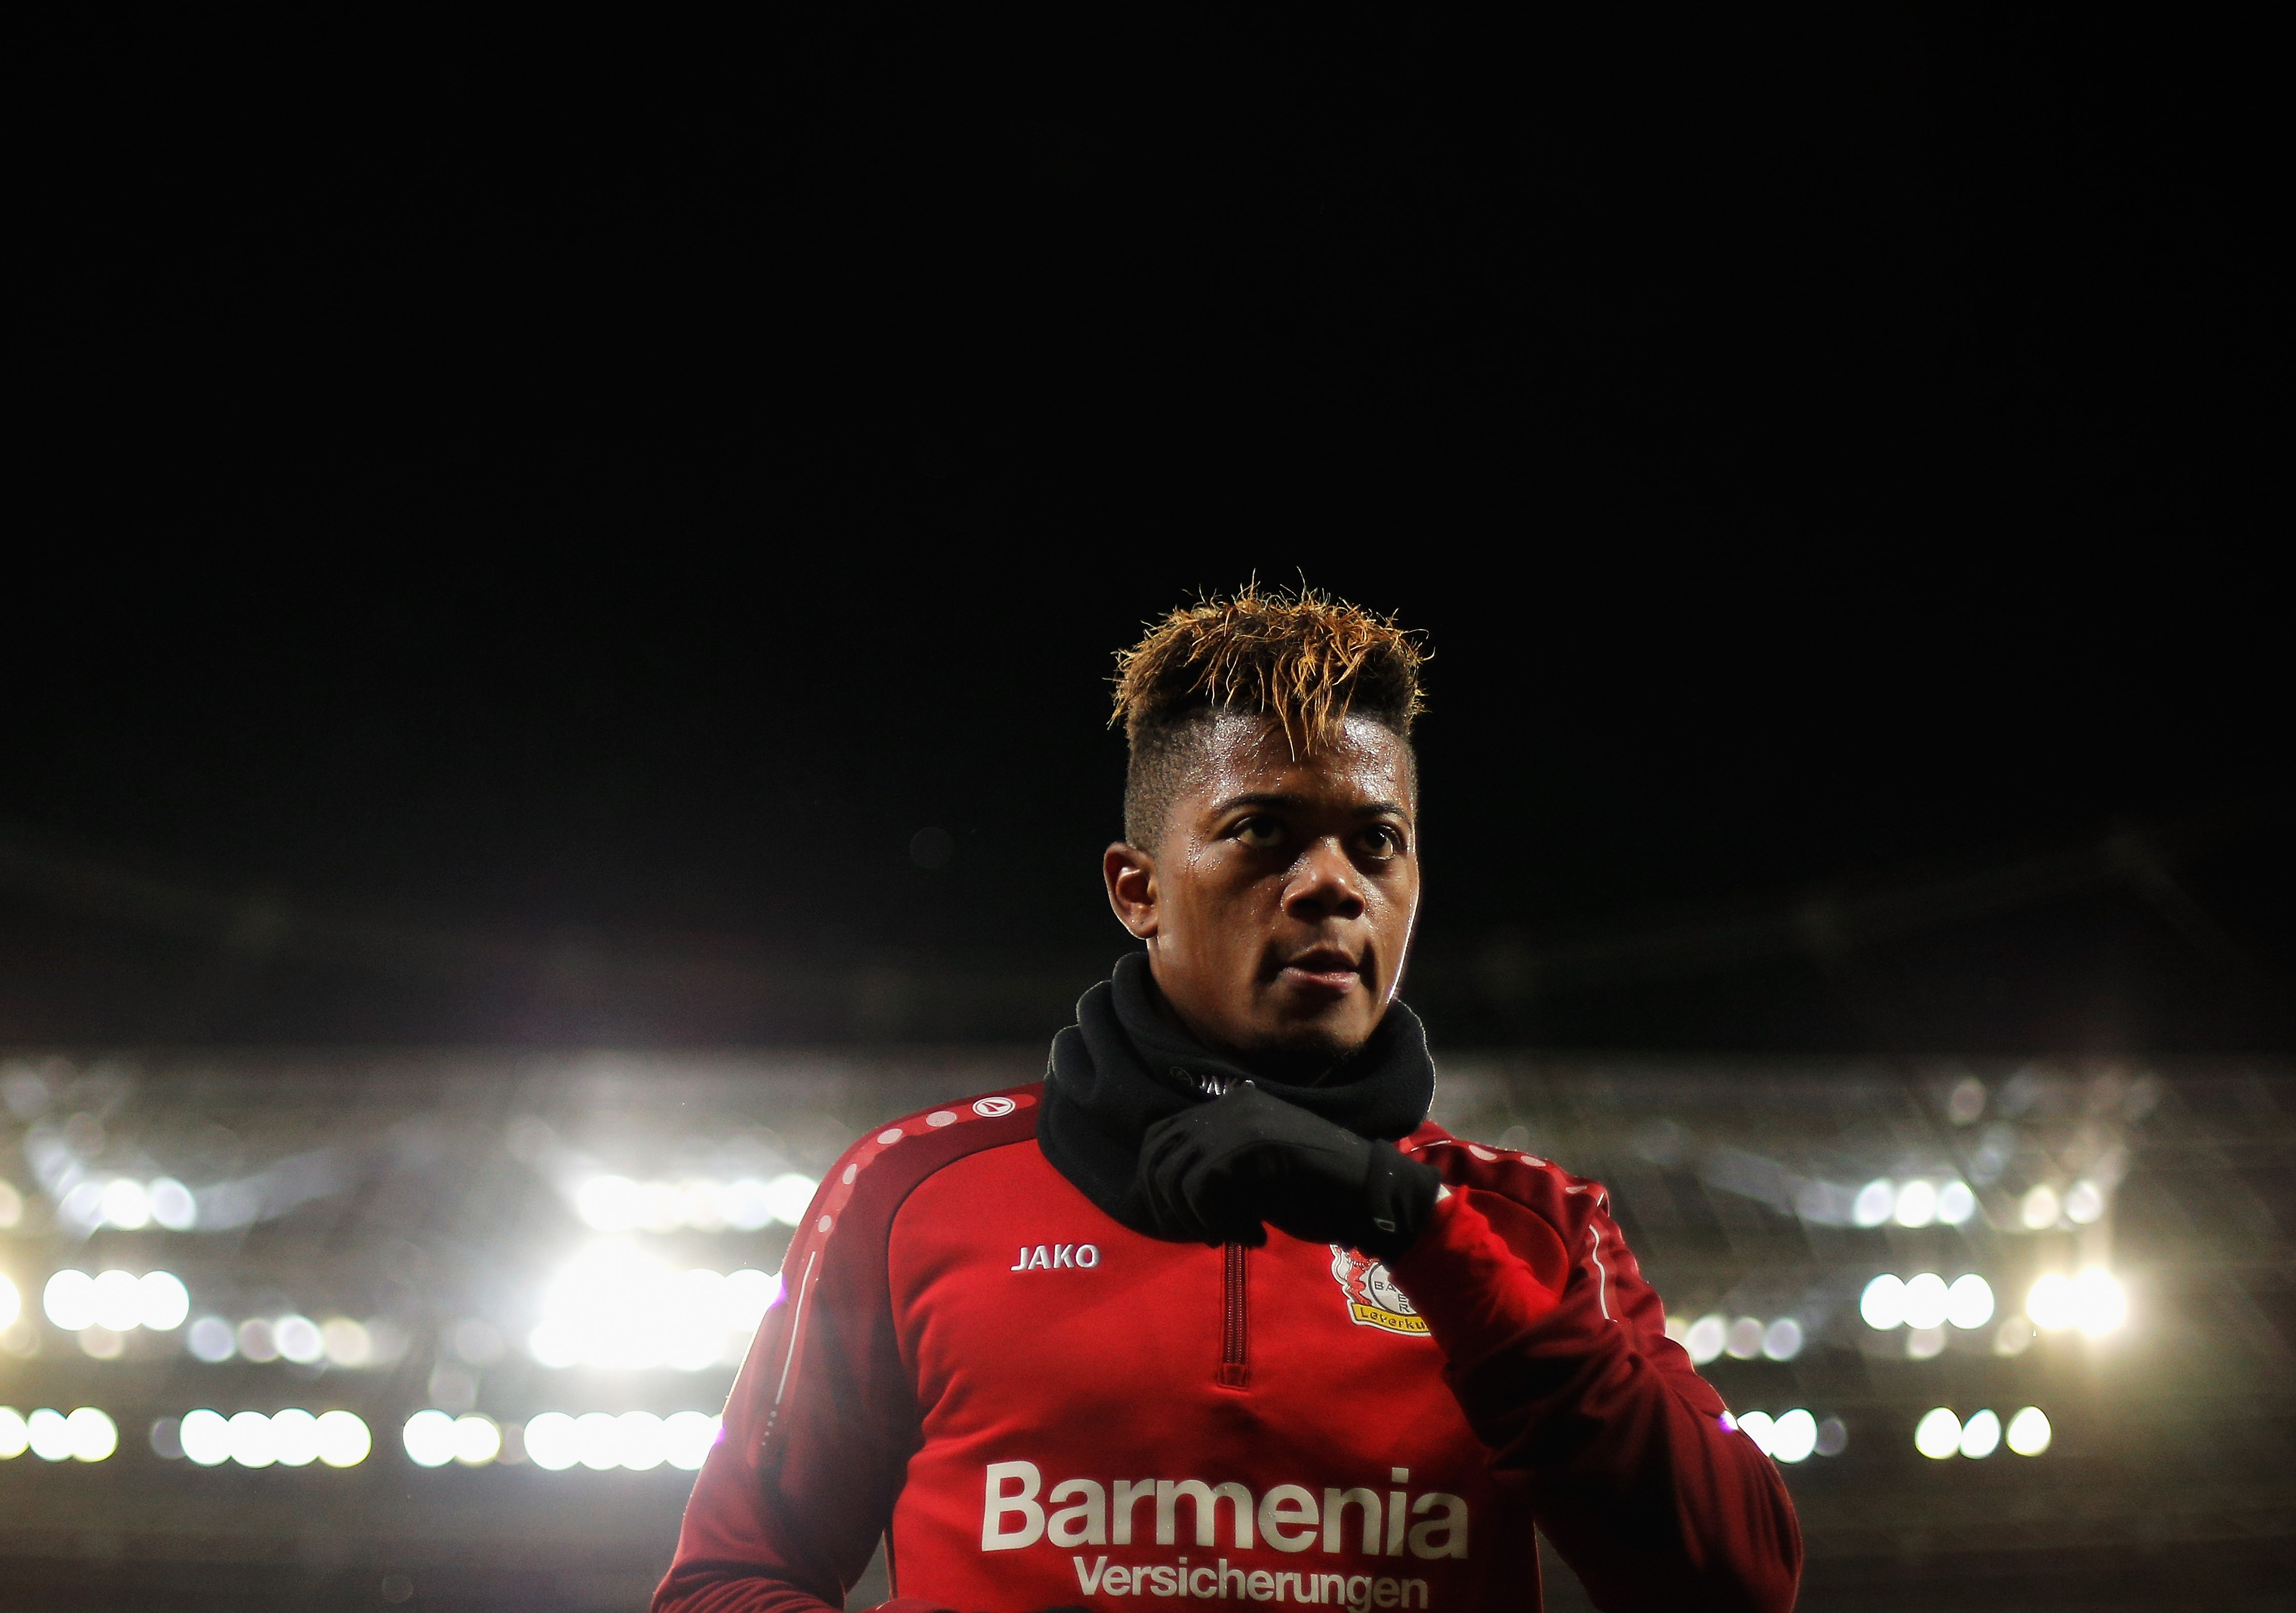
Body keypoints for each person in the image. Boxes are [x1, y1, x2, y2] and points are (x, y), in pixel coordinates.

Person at [655, 588, 1800, 1612]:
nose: (1332, 884)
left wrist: (1420, 1229)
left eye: (1377, 842)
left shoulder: (1530, 1229)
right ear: (1137, 889)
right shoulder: (909, 1193)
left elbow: (1739, 1583)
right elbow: (729, 1581)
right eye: (1263, 831)